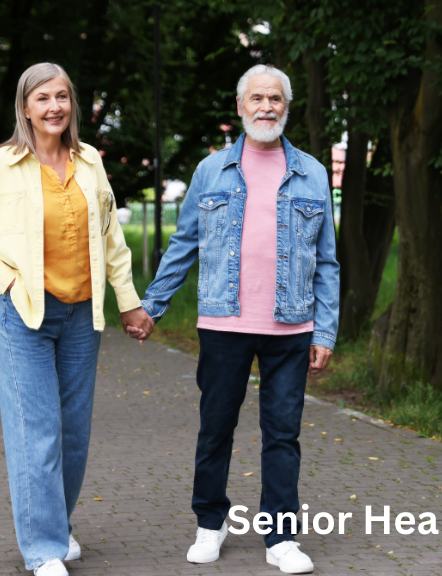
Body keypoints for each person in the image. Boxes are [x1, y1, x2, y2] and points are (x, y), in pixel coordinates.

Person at [131, 64, 340, 574]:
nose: (266, 107)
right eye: (256, 98)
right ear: (240, 107)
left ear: (286, 108)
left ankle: (281, 538)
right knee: (216, 427)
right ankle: (211, 524)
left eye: (275, 99)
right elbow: (185, 243)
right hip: (224, 324)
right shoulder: (212, 170)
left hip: (290, 326)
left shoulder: (311, 172)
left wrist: (326, 330)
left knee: (283, 432)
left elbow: (328, 260)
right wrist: (152, 307)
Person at [0, 62, 152, 576]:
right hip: (25, 316)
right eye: (43, 98)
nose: (54, 106)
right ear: (25, 108)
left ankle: (56, 525)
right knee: (35, 432)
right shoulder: (3, 165)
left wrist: (128, 300)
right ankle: (42, 550)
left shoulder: (90, 162)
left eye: (62, 97)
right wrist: (7, 281)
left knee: (74, 434)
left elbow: (111, 239)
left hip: (83, 315)